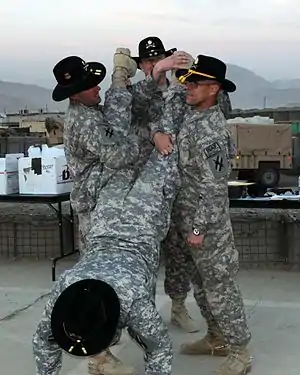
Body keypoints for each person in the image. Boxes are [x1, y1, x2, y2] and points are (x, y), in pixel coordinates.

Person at [32, 113, 181, 375]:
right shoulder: (65, 291)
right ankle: (154, 98)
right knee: (125, 163)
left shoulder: (133, 302)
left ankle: (169, 93)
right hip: (106, 220)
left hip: (141, 220)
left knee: (166, 152)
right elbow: (42, 341)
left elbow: (159, 349)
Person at [152, 54, 252, 375]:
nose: (187, 87)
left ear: (214, 89)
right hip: (187, 222)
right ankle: (216, 336)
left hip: (207, 228)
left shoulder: (212, 133)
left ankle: (239, 352)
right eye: (187, 80)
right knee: (201, 284)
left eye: (195, 83)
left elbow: (213, 188)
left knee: (221, 288)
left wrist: (197, 230)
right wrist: (163, 70)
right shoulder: (191, 115)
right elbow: (167, 103)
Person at [51, 50, 142, 375]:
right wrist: (147, 140)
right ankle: (98, 357)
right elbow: (117, 154)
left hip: (103, 206)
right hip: (94, 211)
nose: (97, 89)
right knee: (95, 281)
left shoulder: (91, 111)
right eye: (91, 86)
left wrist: (122, 81)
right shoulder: (84, 121)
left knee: (105, 280)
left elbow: (115, 121)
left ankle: (101, 344)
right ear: (74, 93)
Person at [130, 37, 198, 333]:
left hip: (178, 183)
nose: (152, 65)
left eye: (158, 59)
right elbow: (126, 124)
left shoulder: (183, 90)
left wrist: (192, 72)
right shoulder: (136, 94)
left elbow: (213, 109)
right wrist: (152, 133)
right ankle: (139, 313)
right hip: (145, 188)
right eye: (147, 61)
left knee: (179, 249)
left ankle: (179, 306)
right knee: (142, 251)